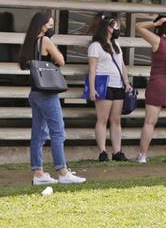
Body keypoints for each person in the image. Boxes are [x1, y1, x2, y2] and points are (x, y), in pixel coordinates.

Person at [19, 12, 86, 185]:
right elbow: (61, 60)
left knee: (38, 135)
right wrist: (52, 44)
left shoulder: (30, 41)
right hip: (47, 93)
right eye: (49, 25)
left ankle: (38, 173)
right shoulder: (45, 41)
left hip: (34, 93)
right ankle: (62, 171)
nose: (51, 28)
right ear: (42, 25)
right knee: (57, 132)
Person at [134, 15, 166, 164]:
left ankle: (142, 156)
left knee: (150, 122)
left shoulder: (156, 40)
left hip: (157, 84)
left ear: (158, 26)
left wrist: (153, 22)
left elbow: (138, 27)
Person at [88, 14, 132, 162]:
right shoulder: (95, 46)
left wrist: (126, 82)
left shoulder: (116, 45)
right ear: (107, 28)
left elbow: (122, 66)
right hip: (104, 85)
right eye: (116, 26)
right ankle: (102, 151)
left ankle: (117, 151)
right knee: (103, 119)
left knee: (116, 119)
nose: (117, 29)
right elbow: (92, 69)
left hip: (118, 85)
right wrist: (92, 89)